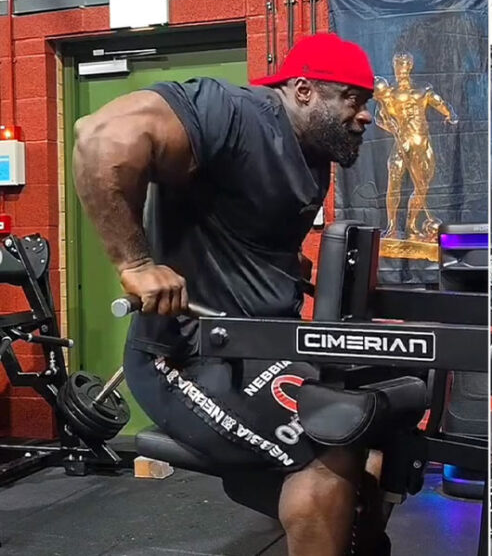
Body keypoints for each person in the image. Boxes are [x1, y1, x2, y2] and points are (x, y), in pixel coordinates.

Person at [72, 34, 383, 556]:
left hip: (264, 347)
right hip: (190, 355)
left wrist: (281, 265)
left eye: (367, 102)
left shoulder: (312, 152)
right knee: (326, 454)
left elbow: (243, 224)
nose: (365, 116)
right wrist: (137, 264)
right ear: (303, 90)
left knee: (370, 423)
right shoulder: (235, 113)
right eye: (352, 99)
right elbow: (98, 135)